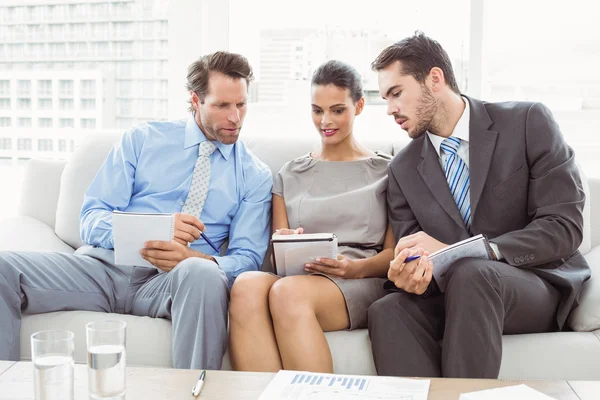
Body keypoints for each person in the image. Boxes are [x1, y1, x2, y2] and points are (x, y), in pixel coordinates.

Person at [0, 51, 272, 370]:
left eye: (241, 105)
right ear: (196, 100)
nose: (235, 118)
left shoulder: (254, 175)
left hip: (173, 283)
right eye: (222, 105)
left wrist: (195, 259)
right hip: (104, 269)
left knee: (202, 274)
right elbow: (91, 218)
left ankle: (197, 391)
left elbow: (247, 259)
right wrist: (156, 229)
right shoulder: (143, 139)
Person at [367, 32, 591, 379]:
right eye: (385, 98)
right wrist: (409, 276)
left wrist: (483, 252)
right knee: (388, 310)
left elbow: (564, 227)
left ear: (435, 79)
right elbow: (420, 257)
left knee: (473, 273)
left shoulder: (527, 122)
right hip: (457, 291)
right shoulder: (402, 169)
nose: (390, 109)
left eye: (396, 93)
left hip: (533, 283)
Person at [228, 60, 395, 373]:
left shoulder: (386, 172)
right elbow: (278, 257)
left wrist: (354, 268)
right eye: (317, 110)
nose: (325, 121)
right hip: (300, 278)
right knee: (246, 285)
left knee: (287, 293)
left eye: (336, 110)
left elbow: (393, 255)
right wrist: (286, 243)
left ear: (358, 106)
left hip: (360, 278)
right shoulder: (290, 174)